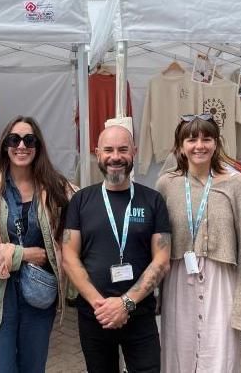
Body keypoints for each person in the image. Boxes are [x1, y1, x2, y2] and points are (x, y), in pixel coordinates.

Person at [0, 116, 75, 373]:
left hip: (39, 294)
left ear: (38, 146)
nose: (21, 146)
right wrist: (22, 255)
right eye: (15, 139)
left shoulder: (58, 189)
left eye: (29, 139)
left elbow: (85, 216)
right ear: (4, 145)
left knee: (33, 367)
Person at [62, 125, 171, 373]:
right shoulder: (81, 200)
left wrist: (125, 305)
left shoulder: (153, 200)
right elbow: (69, 256)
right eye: (108, 150)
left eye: (123, 149)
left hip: (140, 314)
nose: (116, 157)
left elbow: (162, 260)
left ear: (134, 152)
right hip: (95, 315)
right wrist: (101, 305)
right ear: (97, 153)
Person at [155, 114, 241, 373]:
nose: (199, 145)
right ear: (180, 146)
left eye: (206, 138)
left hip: (221, 284)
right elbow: (155, 241)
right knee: (179, 355)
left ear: (216, 144)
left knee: (220, 356)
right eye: (191, 139)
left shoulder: (236, 183)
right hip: (178, 281)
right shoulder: (166, 184)